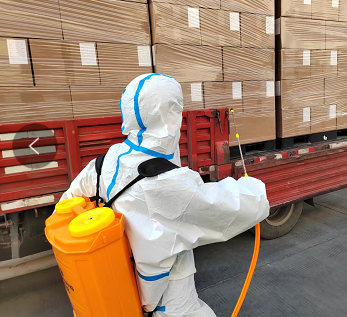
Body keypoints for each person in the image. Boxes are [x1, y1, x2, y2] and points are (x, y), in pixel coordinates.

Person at [60, 73, 270, 317]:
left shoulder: (103, 163)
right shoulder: (166, 182)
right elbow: (228, 208)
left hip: (118, 291)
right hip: (168, 302)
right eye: (177, 109)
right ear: (170, 114)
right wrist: (253, 188)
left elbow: (66, 209)